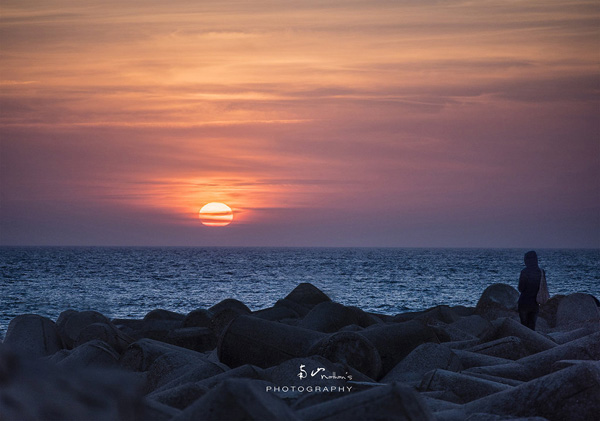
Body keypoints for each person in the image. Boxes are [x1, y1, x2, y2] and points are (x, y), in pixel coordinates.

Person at [518, 250, 544, 330]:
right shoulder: (541, 272)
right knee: (532, 327)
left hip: (524, 302)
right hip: (535, 303)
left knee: (524, 327)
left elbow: (521, 288)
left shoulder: (525, 272)